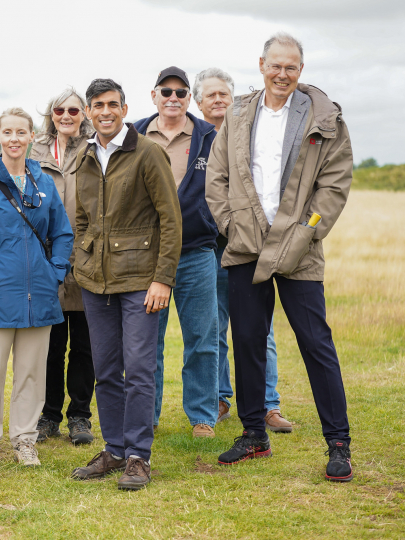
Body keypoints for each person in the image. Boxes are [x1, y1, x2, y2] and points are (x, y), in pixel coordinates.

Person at [206, 33, 354, 481]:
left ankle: (339, 443)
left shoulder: (325, 119)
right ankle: (254, 434)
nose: (282, 73)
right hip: (246, 246)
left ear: (300, 71)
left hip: (299, 250)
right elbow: (217, 176)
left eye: (291, 67)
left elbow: (334, 184)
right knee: (249, 341)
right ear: (261, 65)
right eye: (275, 65)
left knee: (316, 343)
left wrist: (306, 234)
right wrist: (231, 225)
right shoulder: (237, 114)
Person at [70, 79, 181, 491]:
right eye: (97, 105)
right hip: (95, 281)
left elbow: (170, 219)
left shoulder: (148, 153)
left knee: (138, 368)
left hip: (141, 281)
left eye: (112, 104)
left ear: (125, 107)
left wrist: (162, 279)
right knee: (107, 369)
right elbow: (81, 217)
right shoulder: (84, 156)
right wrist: (81, 261)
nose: (105, 111)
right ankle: (114, 449)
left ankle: (138, 455)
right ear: (88, 110)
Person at [0, 108, 74, 468]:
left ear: (30, 137)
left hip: (39, 294)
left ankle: (25, 440)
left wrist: (54, 272)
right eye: (7, 132)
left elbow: (62, 233)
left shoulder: (43, 182)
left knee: (31, 372)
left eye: (20, 132)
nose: (13, 138)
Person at [194, 68, 292, 432]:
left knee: (259, 329)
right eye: (211, 95)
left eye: (224, 94)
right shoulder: (195, 139)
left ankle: (268, 404)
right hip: (211, 248)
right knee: (214, 327)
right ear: (198, 101)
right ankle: (219, 399)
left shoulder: (251, 130)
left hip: (251, 245)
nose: (219, 100)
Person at [134, 67, 219, 438]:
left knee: (201, 339)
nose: (173, 98)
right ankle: (146, 417)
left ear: (189, 98)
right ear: (153, 95)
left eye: (181, 93)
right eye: (166, 92)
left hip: (197, 252)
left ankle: (202, 416)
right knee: (147, 342)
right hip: (147, 256)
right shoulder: (132, 134)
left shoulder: (210, 136)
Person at [29, 88, 96, 445]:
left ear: (84, 113)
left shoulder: (96, 147)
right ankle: (49, 414)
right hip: (46, 262)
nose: (66, 115)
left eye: (73, 109)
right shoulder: (33, 149)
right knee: (51, 347)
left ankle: (81, 417)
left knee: (85, 347)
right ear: (51, 113)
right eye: (60, 109)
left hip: (88, 259)